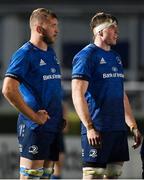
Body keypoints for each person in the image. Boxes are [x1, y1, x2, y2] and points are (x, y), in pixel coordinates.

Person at [71, 12, 142, 179]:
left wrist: (132, 125)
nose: (117, 32)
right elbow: (77, 93)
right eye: (113, 28)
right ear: (100, 32)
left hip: (117, 130)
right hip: (98, 129)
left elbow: (121, 95)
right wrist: (89, 127)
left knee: (114, 175)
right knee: (93, 176)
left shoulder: (116, 57)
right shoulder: (86, 56)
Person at [2, 8, 64, 179]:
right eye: (52, 26)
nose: (56, 30)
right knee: (31, 176)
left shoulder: (50, 53)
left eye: (56, 25)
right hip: (34, 127)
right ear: (38, 29)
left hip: (52, 126)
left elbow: (51, 90)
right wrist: (33, 117)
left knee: (47, 176)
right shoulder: (24, 54)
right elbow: (8, 89)